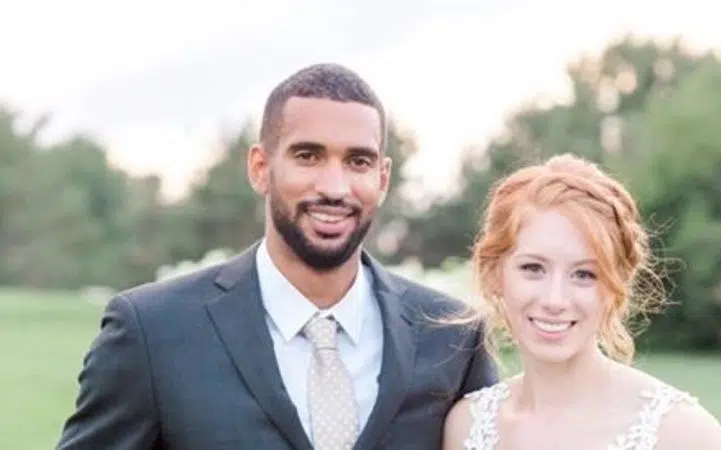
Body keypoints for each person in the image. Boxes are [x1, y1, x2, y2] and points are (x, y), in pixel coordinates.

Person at [56, 63, 497, 450]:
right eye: (308, 156)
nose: (334, 187)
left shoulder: (452, 336)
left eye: (358, 162)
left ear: (382, 179)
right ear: (260, 168)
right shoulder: (152, 332)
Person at [442, 154, 721, 450]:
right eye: (533, 268)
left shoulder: (683, 434)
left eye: (584, 274)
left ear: (616, 285)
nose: (555, 300)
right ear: (494, 273)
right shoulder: (466, 426)